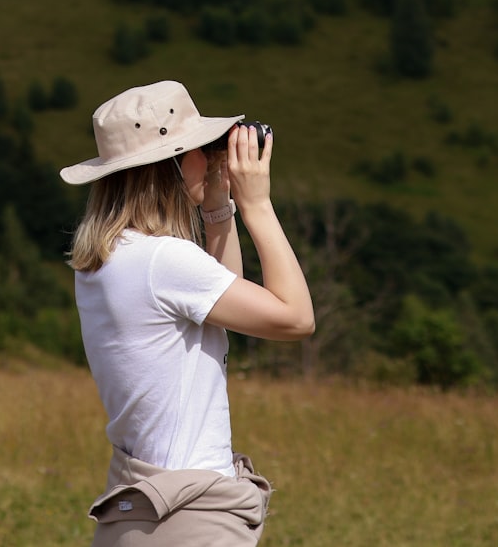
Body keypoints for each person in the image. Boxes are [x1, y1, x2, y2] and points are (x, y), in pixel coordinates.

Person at [60, 80, 315, 546]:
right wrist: (257, 204)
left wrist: (218, 205)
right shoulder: (163, 262)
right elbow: (296, 318)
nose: (210, 156)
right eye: (200, 149)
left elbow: (221, 307)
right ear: (169, 166)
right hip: (191, 515)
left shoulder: (109, 260)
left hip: (139, 510)